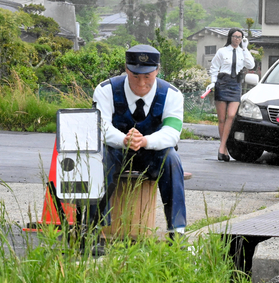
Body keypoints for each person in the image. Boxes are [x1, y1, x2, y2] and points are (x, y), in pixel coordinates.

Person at [92, 44, 186, 240]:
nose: (141, 83)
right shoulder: (105, 90)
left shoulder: (172, 95)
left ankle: (176, 232)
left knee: (172, 159)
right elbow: (100, 126)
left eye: (147, 76)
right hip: (116, 151)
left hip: (153, 153)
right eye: (135, 76)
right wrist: (124, 140)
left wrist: (144, 141)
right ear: (127, 69)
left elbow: (172, 132)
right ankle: (94, 230)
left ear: (157, 71)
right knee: (97, 158)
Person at [206, 28, 255, 161]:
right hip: (222, 83)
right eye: (235, 36)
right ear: (230, 37)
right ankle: (224, 150)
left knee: (231, 115)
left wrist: (245, 49)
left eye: (240, 37)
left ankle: (222, 147)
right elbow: (214, 68)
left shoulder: (242, 52)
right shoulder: (222, 51)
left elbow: (251, 65)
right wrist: (213, 82)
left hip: (235, 84)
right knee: (222, 118)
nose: (237, 39)